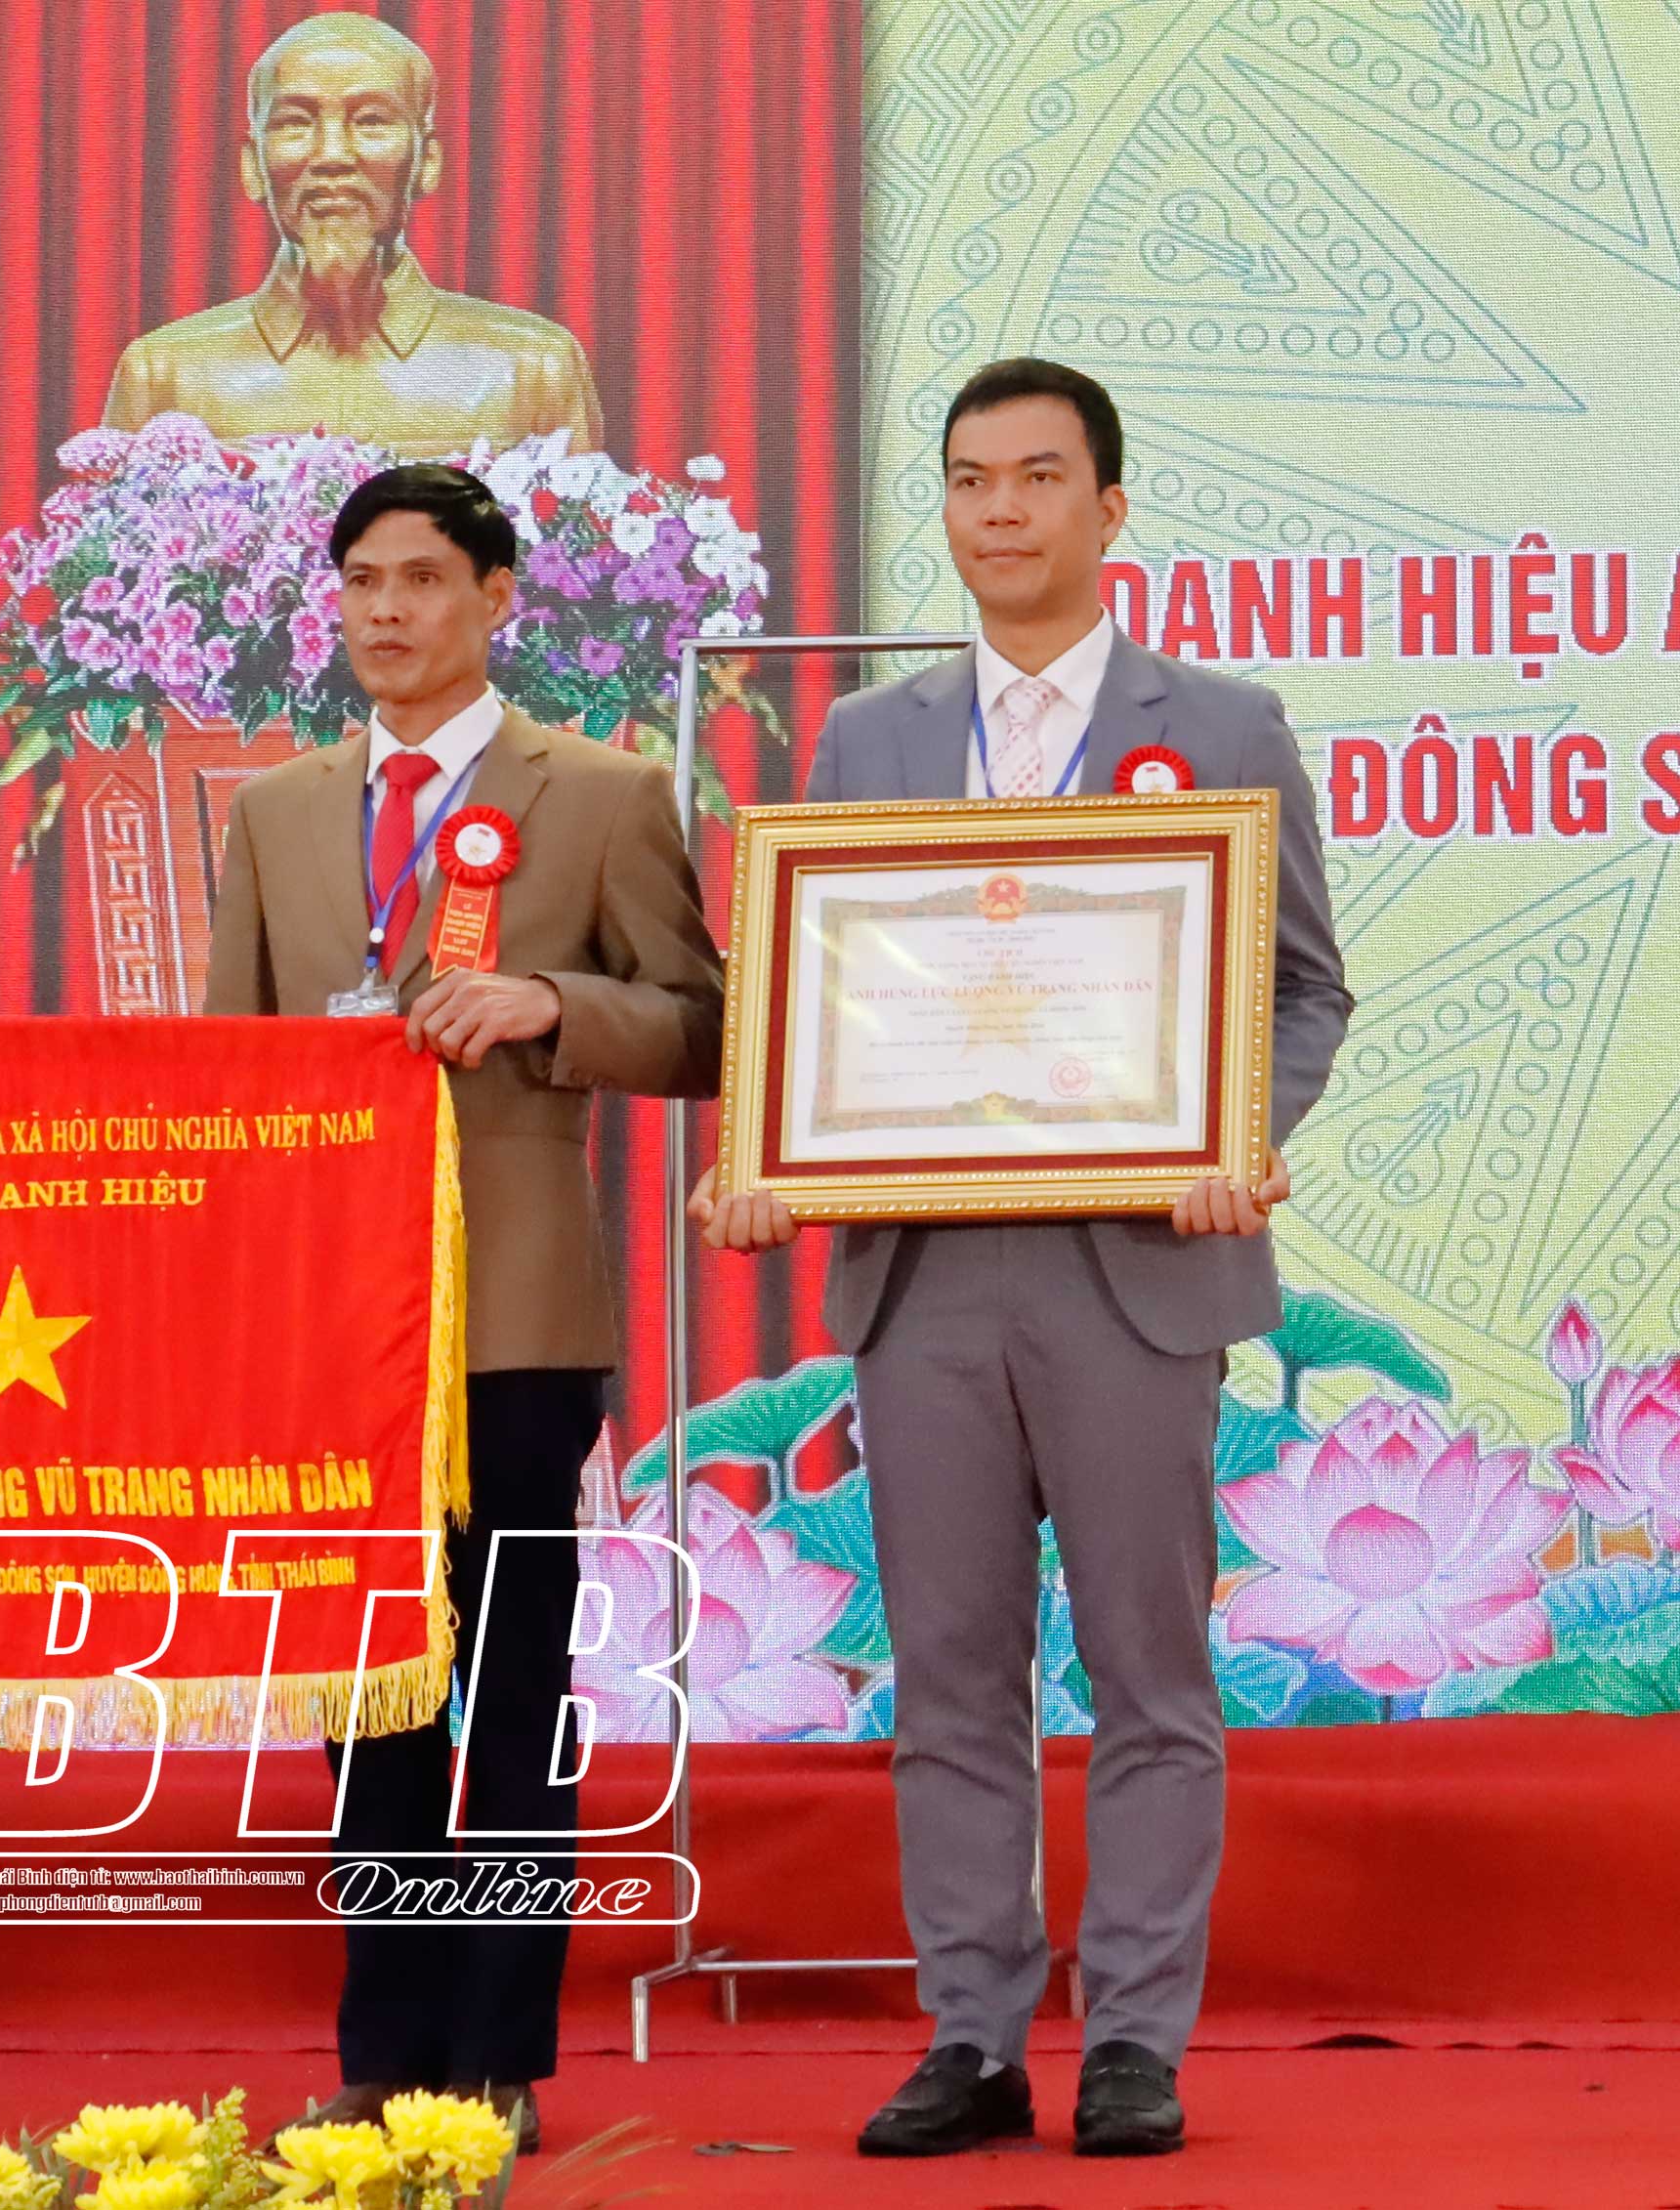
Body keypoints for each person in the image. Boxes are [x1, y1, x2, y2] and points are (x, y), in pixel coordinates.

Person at [693, 359, 1353, 2160]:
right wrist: (766, 1151)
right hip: (925, 1273)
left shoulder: (1223, 723)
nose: (1001, 510)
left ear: (1109, 506)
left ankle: (1133, 2037)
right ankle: (973, 2032)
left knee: (1150, 1668)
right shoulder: (869, 740)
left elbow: (1304, 986)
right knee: (950, 1672)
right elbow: (816, 991)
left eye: (1039, 476)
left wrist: (1239, 1132)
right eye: (971, 478)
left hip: (1138, 1266)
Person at [206, 464, 723, 2149]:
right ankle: (385, 2041)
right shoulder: (279, 809)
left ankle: (497, 2049)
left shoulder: (604, 790)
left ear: (498, 597)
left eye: (421, 578)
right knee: (364, 1691)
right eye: (361, 579)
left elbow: (703, 1022)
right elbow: (227, 1065)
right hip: (328, 1319)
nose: (385, 610)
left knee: (507, 1684)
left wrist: (548, 1001)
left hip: (514, 1313)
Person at [101, 12, 603, 451]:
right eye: (295, 123)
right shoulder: (164, 374)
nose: (332, 155)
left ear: (426, 162)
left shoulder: (532, 368)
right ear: (252, 166)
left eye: (371, 121)